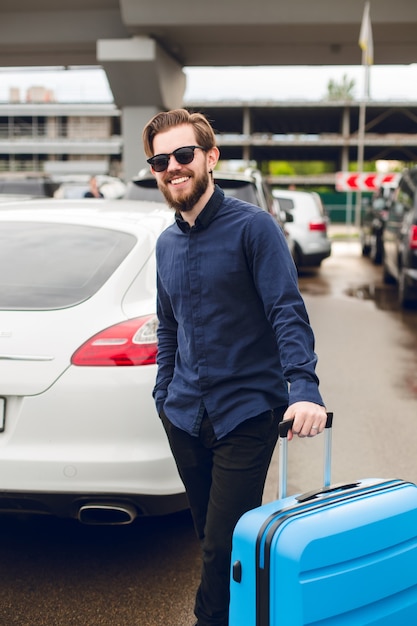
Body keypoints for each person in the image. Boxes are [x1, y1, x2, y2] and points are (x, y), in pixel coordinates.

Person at [142, 108, 327, 626]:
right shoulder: (165, 244)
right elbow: (168, 328)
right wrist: (162, 397)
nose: (173, 167)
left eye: (183, 154)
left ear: (210, 157)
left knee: (221, 549)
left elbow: (286, 311)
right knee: (212, 544)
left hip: (245, 415)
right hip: (183, 418)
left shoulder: (255, 228)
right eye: (161, 160)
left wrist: (304, 388)